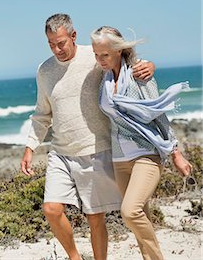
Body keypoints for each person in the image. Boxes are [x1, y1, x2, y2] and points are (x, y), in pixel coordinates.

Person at [20, 13, 155, 260]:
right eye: (51, 44)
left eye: (61, 43)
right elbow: (43, 112)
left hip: (95, 149)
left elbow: (122, 60)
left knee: (95, 218)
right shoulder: (45, 70)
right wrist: (30, 147)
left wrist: (149, 65)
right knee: (51, 209)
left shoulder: (93, 58)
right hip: (60, 152)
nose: (57, 49)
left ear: (73, 36)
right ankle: (75, 257)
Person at [90, 26, 192, 260]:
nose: (100, 60)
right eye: (96, 55)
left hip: (146, 154)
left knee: (130, 212)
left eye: (105, 54)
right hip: (119, 159)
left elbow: (158, 114)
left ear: (118, 50)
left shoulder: (139, 74)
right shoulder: (104, 80)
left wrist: (176, 154)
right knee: (140, 216)